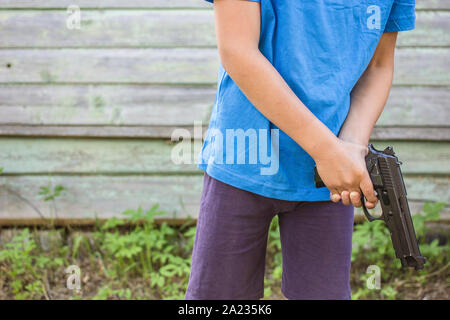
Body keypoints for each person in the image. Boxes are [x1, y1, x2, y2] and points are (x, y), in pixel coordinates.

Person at [185, 0, 416, 300]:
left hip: (328, 178)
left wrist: (351, 146)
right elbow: (237, 50)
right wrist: (327, 151)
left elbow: (379, 65)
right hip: (243, 160)